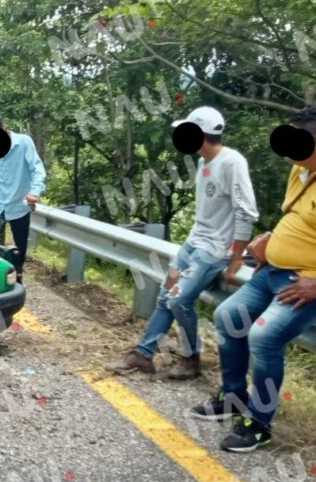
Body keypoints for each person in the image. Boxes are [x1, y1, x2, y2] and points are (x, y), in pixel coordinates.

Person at [189, 107, 316, 452]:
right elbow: (298, 218)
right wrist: (270, 240)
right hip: (272, 270)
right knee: (227, 316)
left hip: (304, 283)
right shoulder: (300, 171)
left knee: (263, 336)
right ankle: (233, 396)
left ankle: (259, 423)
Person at [106, 106, 259, 380]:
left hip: (214, 250)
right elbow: (204, 215)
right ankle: (143, 355)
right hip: (194, 242)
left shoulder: (232, 162)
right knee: (166, 294)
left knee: (178, 299)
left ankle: (191, 357)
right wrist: (184, 253)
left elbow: (246, 211)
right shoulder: (203, 163)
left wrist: (237, 256)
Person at [0, 115, 46, 282]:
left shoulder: (23, 142)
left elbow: (37, 169)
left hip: (19, 204)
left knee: (20, 246)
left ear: (5, 128)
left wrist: (35, 192)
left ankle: (18, 277)